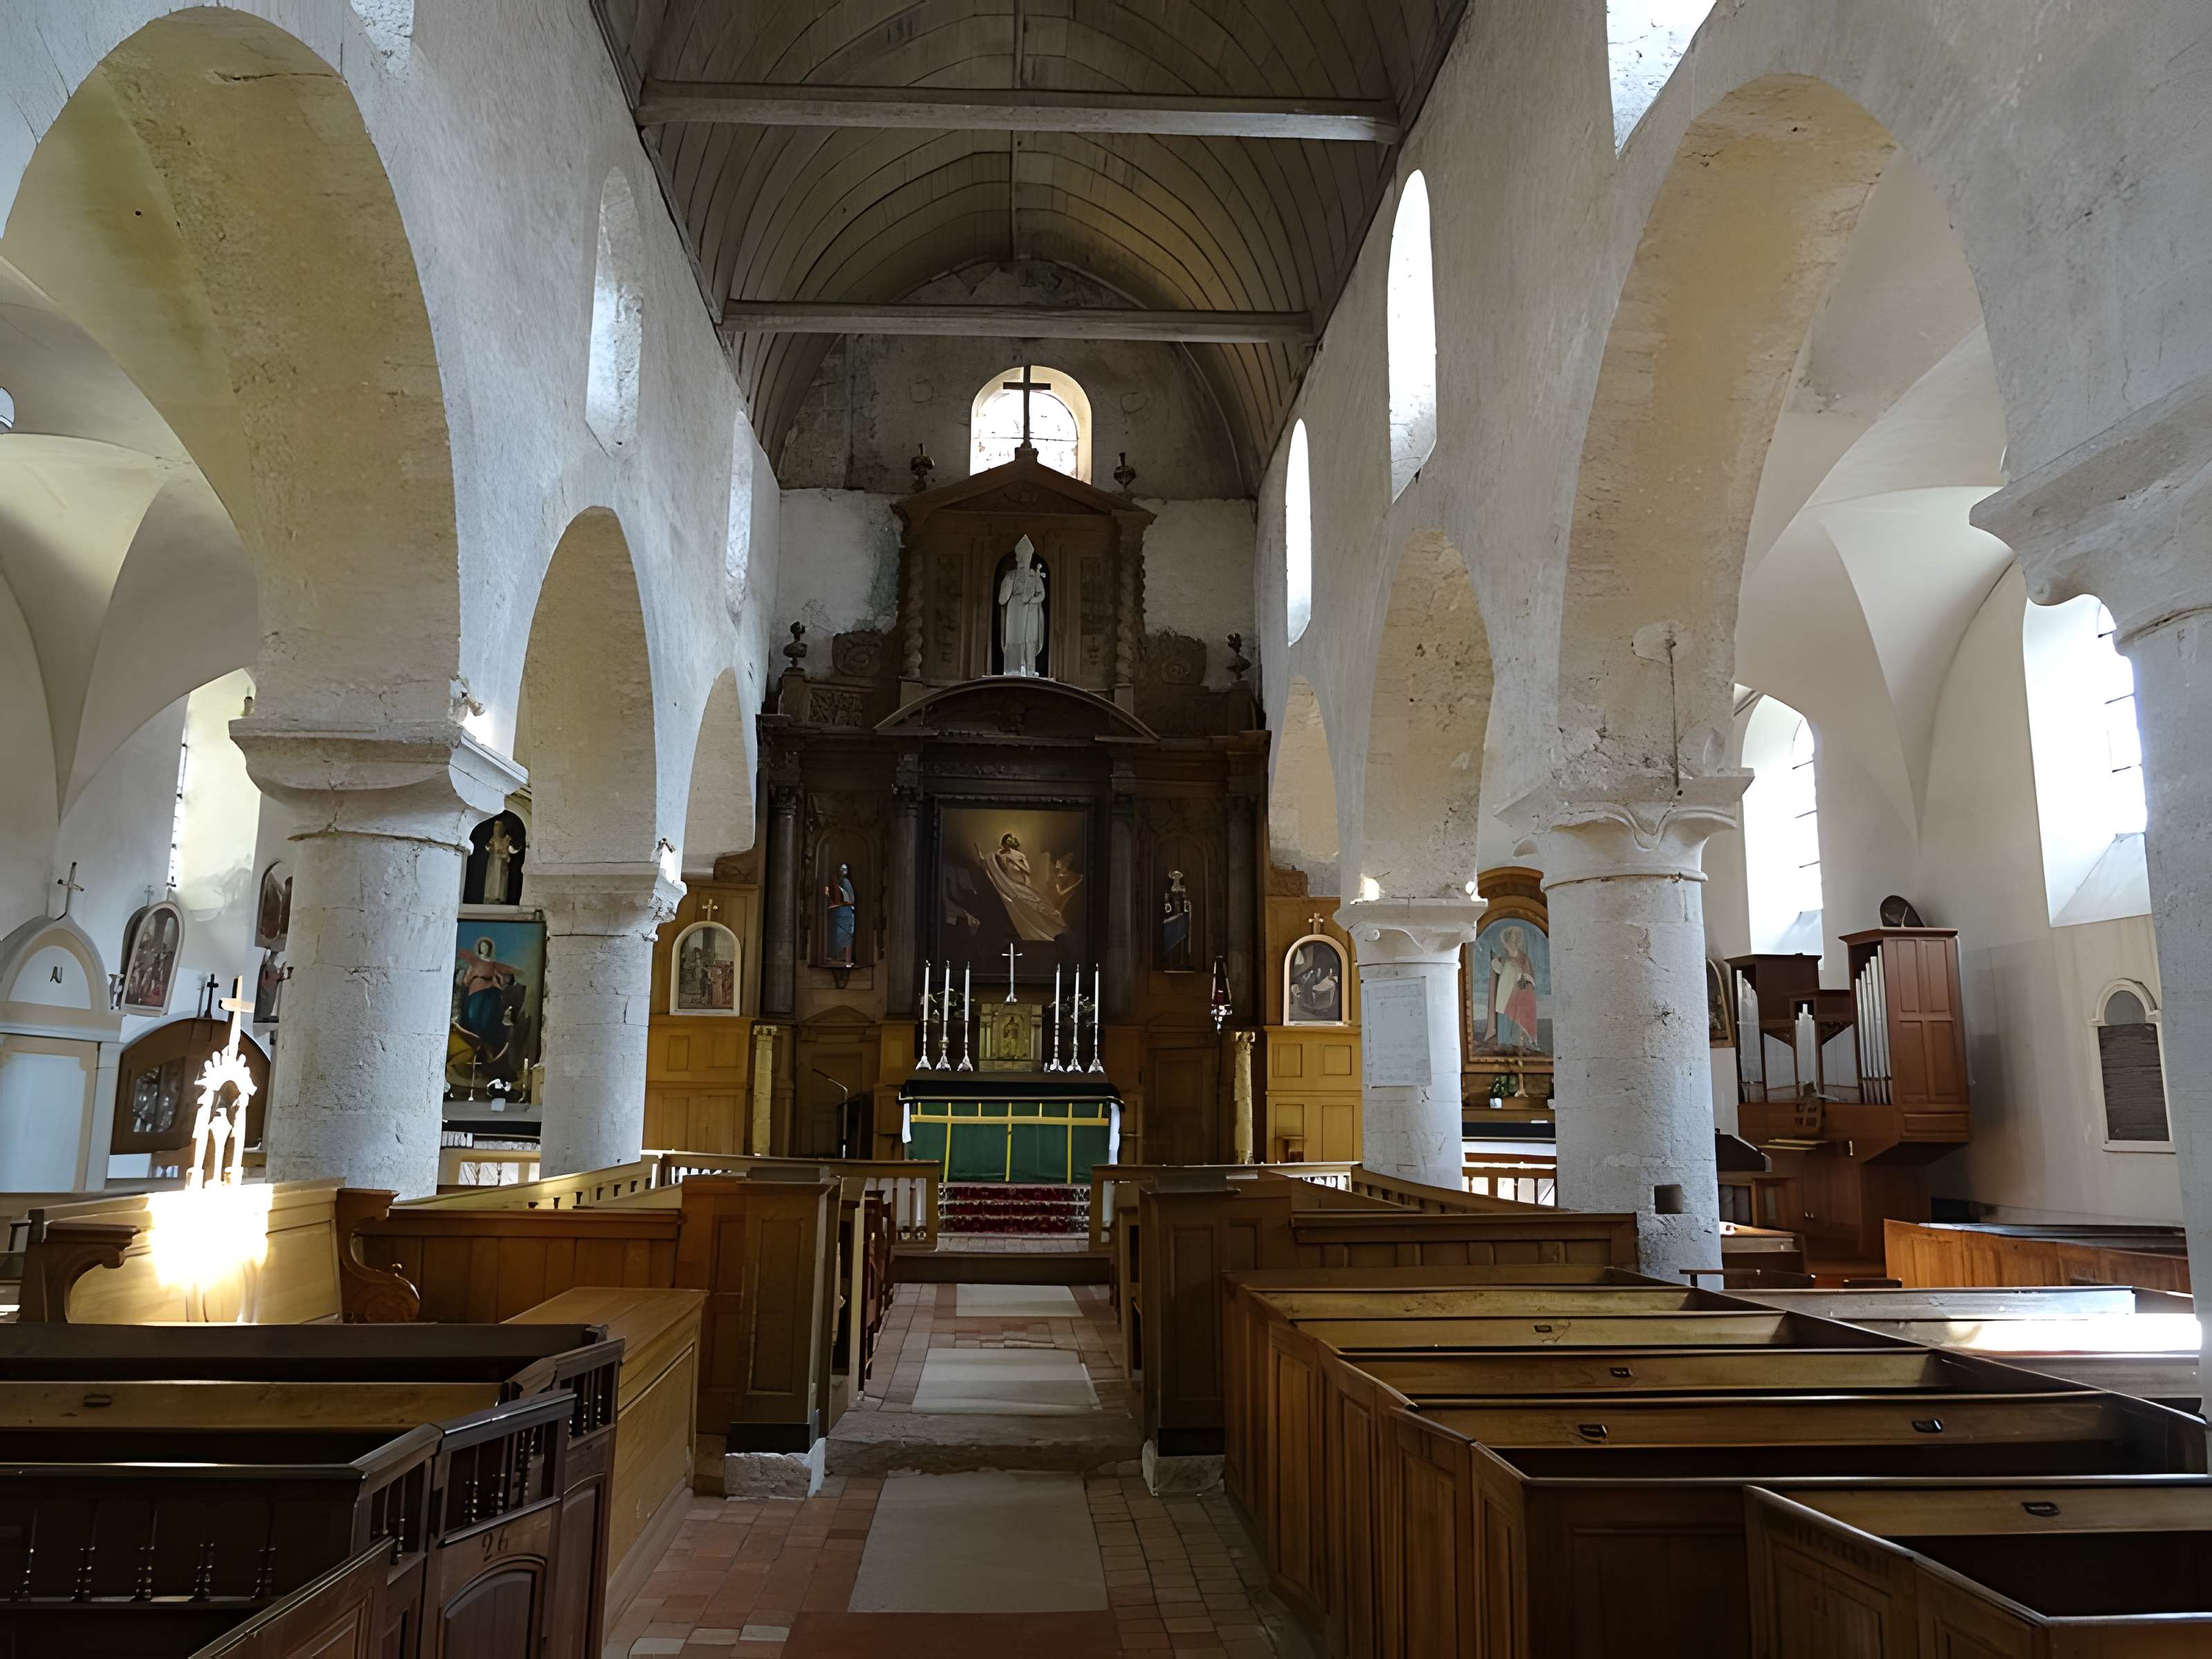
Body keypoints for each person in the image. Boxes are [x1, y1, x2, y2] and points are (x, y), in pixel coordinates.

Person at [975, 832, 1069, 940]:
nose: (1007, 846)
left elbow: (1027, 870)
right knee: (1021, 910)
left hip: (1023, 885)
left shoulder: (1019, 855)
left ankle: (1052, 931)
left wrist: (1014, 861)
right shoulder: (1001, 856)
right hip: (1011, 885)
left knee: (1038, 907)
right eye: (1006, 843)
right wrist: (986, 856)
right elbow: (995, 866)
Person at [1485, 924, 1542, 1050]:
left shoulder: (1523, 958)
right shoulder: (1504, 957)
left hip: (1516, 990)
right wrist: (1495, 962)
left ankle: (1518, 1042)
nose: (1513, 940)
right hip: (1504, 989)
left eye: (1516, 938)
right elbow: (1499, 970)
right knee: (1503, 1013)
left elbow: (1528, 974)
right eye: (1511, 937)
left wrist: (1524, 979)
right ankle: (1504, 1041)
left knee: (1516, 1014)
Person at [997, 536, 1047, 675]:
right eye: (1019, 557)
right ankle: (1013, 670)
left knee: (1029, 640)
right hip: (1014, 611)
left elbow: (1042, 595)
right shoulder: (1010, 575)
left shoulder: (1035, 576)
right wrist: (1008, 584)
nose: (1020, 560)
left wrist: (1032, 600)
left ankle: (1029, 670)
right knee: (1014, 640)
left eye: (1024, 558)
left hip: (1030, 612)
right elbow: (1002, 600)